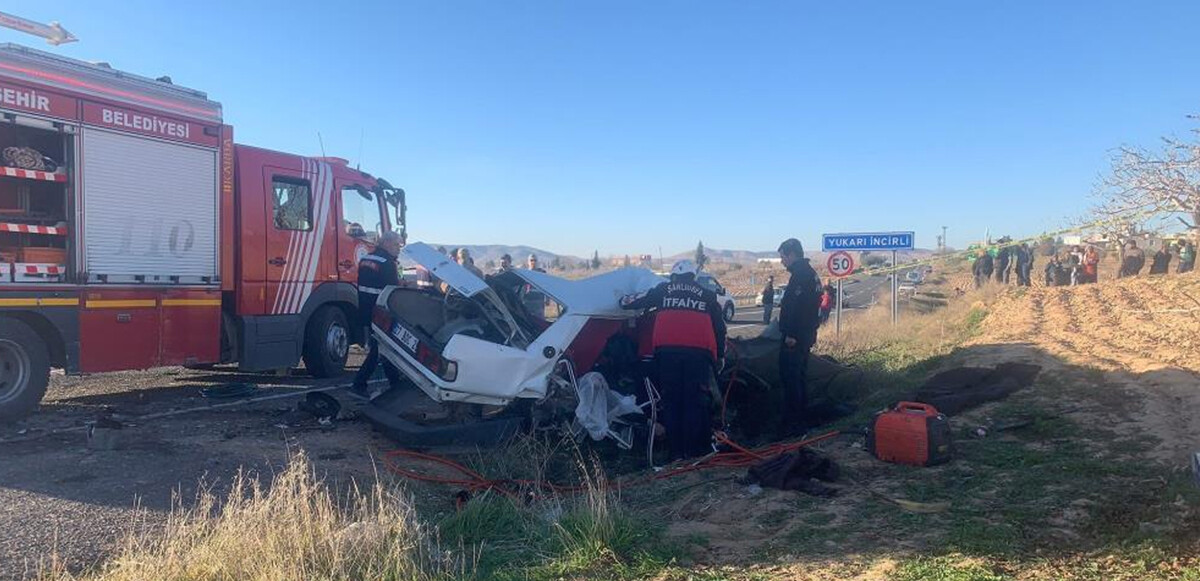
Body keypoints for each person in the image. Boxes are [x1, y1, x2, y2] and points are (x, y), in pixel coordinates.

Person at [621, 259, 726, 460]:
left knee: (672, 401)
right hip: (698, 356)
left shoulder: (664, 290)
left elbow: (631, 302)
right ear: (694, 276)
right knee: (694, 402)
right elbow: (720, 330)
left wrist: (620, 301)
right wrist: (719, 356)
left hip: (668, 355)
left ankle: (676, 452)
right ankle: (695, 452)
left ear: (674, 275)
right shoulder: (708, 295)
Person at [776, 238, 822, 437]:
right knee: (799, 379)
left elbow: (797, 309)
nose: (782, 261)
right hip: (806, 335)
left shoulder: (801, 275)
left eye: (783, 256)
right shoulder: (809, 274)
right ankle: (799, 422)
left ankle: (794, 426)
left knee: (792, 380)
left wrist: (791, 334)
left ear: (792, 254)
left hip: (795, 338)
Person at [351, 231, 405, 398]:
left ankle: (395, 383)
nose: (399, 249)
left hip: (366, 309)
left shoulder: (366, 259)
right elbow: (392, 291)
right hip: (381, 313)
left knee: (382, 347)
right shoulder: (388, 262)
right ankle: (359, 384)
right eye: (397, 245)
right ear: (387, 243)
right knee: (379, 349)